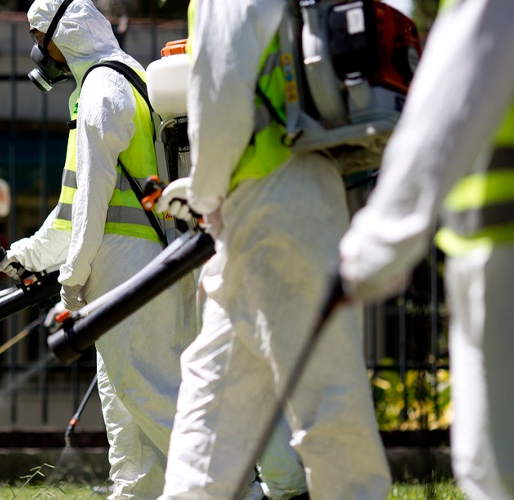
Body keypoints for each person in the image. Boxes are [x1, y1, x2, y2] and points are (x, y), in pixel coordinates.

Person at [154, 0, 392, 498]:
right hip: (278, 201)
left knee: (326, 401)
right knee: (211, 399)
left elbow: (221, 90)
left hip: (272, 205)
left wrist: (204, 191)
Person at [0, 1, 197, 499]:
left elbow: (94, 196)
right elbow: (72, 210)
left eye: (42, 36)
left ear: (66, 34)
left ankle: (235, 486)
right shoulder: (116, 81)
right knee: (123, 400)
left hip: (125, 263)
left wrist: (73, 275)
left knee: (148, 391)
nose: (39, 50)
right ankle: (135, 493)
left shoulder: (102, 89)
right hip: (130, 258)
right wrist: (27, 255)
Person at [339, 1, 514, 498]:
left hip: (501, 256)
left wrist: (368, 256)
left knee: (496, 465)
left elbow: (438, 123)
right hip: (489, 251)